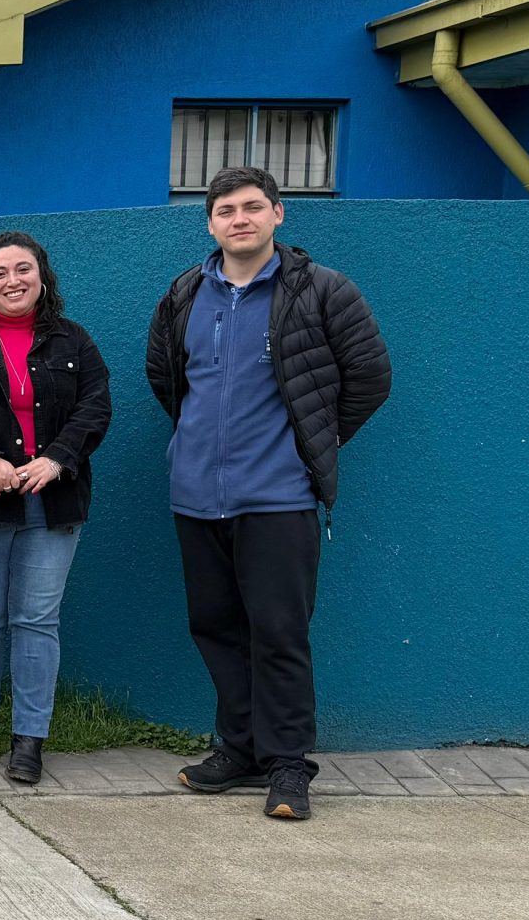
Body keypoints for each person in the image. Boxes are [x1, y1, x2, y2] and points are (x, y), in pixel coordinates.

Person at [147, 165, 392, 823]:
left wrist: (315, 440)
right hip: (197, 494)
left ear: (279, 214)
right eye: (226, 210)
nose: (240, 219)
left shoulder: (322, 291)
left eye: (253, 207)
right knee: (217, 628)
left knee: (279, 632)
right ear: (210, 223)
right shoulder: (183, 293)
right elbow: (165, 377)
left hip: (278, 496)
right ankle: (241, 747)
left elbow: (369, 375)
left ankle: (288, 765)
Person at [0, 230, 112, 786]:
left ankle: (29, 738)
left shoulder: (73, 342)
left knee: (36, 619)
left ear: (42, 276)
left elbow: (96, 407)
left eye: (23, 270)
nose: (13, 281)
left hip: (51, 501)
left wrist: (56, 459)